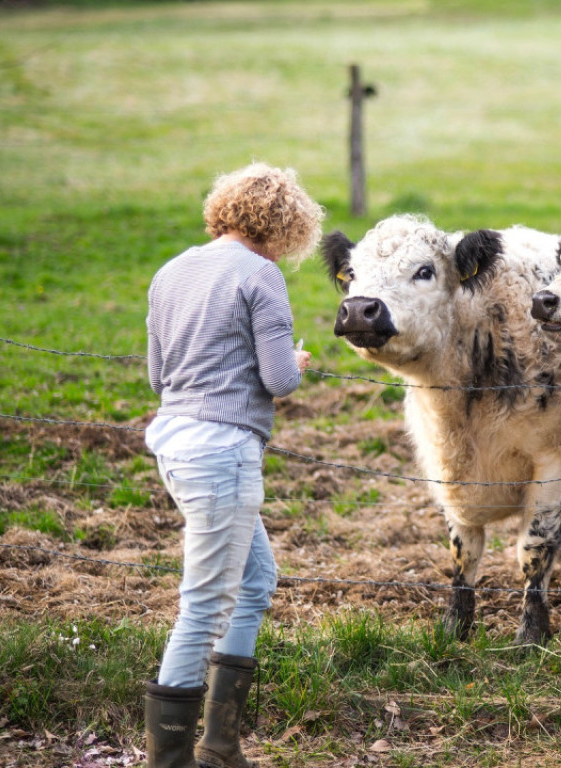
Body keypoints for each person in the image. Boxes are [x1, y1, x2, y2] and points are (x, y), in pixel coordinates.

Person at [143, 163, 323, 768]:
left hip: (174, 442)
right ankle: (169, 761)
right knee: (205, 602)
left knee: (255, 581)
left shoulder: (171, 271)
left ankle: (221, 745)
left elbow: (157, 377)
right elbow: (277, 379)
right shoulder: (261, 274)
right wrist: (296, 363)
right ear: (287, 224)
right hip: (223, 453)